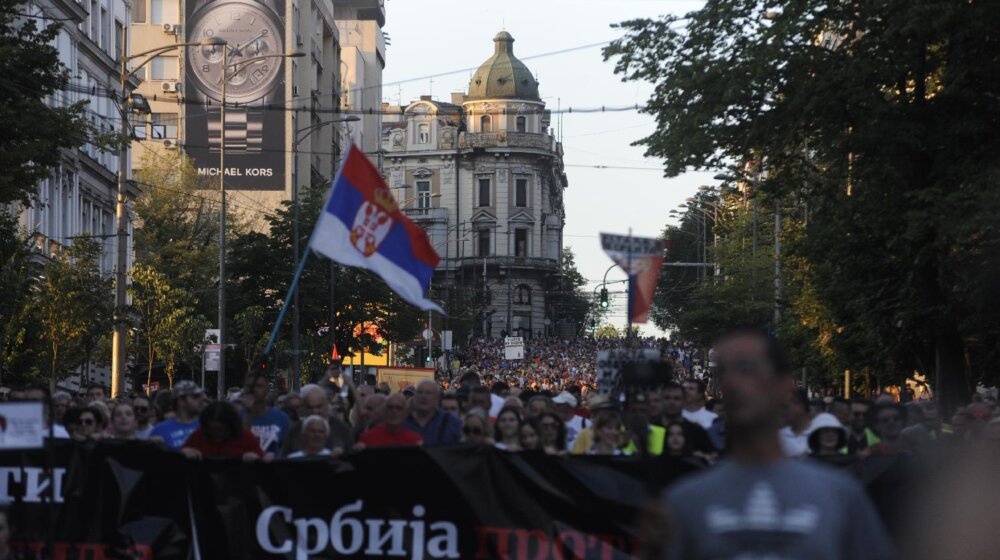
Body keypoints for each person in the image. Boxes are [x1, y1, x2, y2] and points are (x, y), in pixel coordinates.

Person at [658, 330, 894, 559]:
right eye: (724, 372)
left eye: (746, 368)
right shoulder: (685, 502)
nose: (733, 382)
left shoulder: (842, 496)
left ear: (785, 386)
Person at [281, 385, 352, 458]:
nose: (315, 411)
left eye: (319, 407)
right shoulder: (295, 430)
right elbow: (284, 458)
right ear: (304, 407)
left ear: (326, 405)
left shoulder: (342, 429)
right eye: (310, 407)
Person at [182, 401, 264, 461]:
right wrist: (185, 452)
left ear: (231, 426)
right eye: (212, 429)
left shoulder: (245, 436)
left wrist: (255, 458)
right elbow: (180, 455)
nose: (216, 434)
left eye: (220, 430)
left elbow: (262, 459)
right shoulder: (199, 435)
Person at [242, 373, 291, 456]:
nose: (254, 390)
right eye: (250, 386)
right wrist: (248, 413)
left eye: (259, 386)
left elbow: (288, 451)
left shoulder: (282, 418)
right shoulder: (236, 417)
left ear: (267, 390)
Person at [149, 381, 206, 449]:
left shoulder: (208, 426)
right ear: (181, 400)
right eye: (195, 396)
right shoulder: (159, 430)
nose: (202, 399)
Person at [404, 380, 462, 445]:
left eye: (428, 393)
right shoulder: (403, 420)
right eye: (420, 392)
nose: (424, 396)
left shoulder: (451, 422)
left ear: (437, 398)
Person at [358, 394, 422, 448]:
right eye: (390, 407)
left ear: (405, 413)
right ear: (384, 411)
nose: (394, 411)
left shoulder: (414, 440)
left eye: (398, 408)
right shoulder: (367, 438)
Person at [779, 388, 812, 457]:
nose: (783, 411)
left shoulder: (819, 432)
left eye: (786, 406)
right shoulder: (779, 436)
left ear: (800, 405)